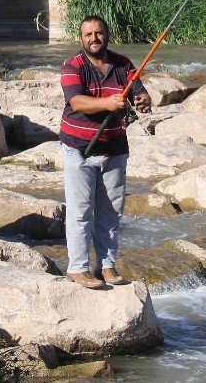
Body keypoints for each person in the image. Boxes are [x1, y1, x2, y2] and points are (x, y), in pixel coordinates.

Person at [60, 15, 151, 289]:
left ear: (107, 35)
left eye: (98, 33)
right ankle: (77, 268)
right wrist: (107, 103)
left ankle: (107, 266)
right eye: (88, 34)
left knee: (111, 211)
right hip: (79, 149)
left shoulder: (124, 64)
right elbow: (76, 102)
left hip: (114, 148)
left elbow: (140, 91)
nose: (94, 38)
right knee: (80, 211)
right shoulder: (71, 65)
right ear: (81, 39)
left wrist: (143, 100)